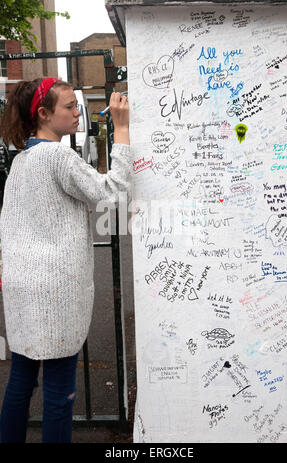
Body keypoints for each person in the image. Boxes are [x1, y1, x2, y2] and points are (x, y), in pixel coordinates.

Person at [0, 77, 131, 443]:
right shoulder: (58, 156)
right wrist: (120, 129)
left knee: (21, 382)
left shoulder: (21, 161)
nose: (78, 113)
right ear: (44, 114)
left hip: (22, 290)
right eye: (70, 107)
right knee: (59, 395)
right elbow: (114, 195)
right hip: (54, 292)